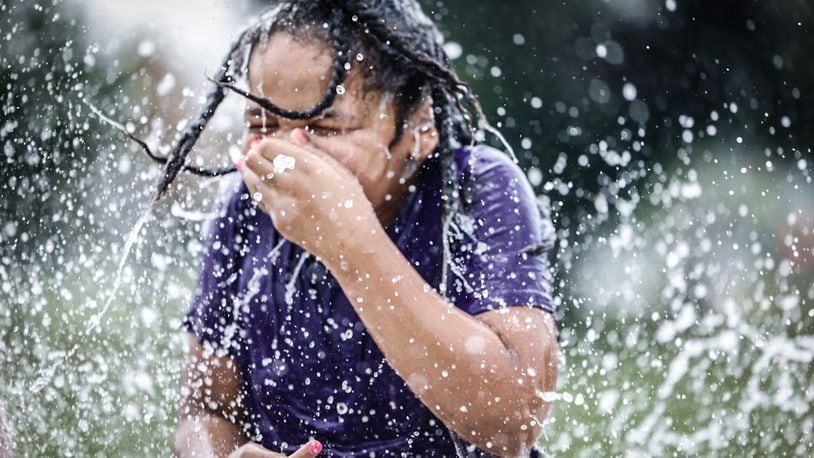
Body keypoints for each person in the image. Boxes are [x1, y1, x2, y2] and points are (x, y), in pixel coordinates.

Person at [173, 1, 558, 456]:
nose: (285, 154)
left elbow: (513, 423)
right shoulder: (244, 207)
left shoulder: (475, 191)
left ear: (419, 126)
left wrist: (349, 240)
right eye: (262, 124)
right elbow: (206, 410)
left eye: (322, 126)